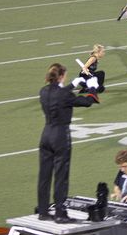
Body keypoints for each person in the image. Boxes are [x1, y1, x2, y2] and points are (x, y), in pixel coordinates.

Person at [37, 63, 99, 222]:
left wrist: (75, 82)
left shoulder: (43, 91)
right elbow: (87, 102)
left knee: (44, 175)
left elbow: (59, 93)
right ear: (61, 76)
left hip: (46, 134)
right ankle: (60, 213)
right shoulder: (64, 94)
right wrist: (93, 88)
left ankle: (43, 211)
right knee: (61, 175)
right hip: (60, 135)